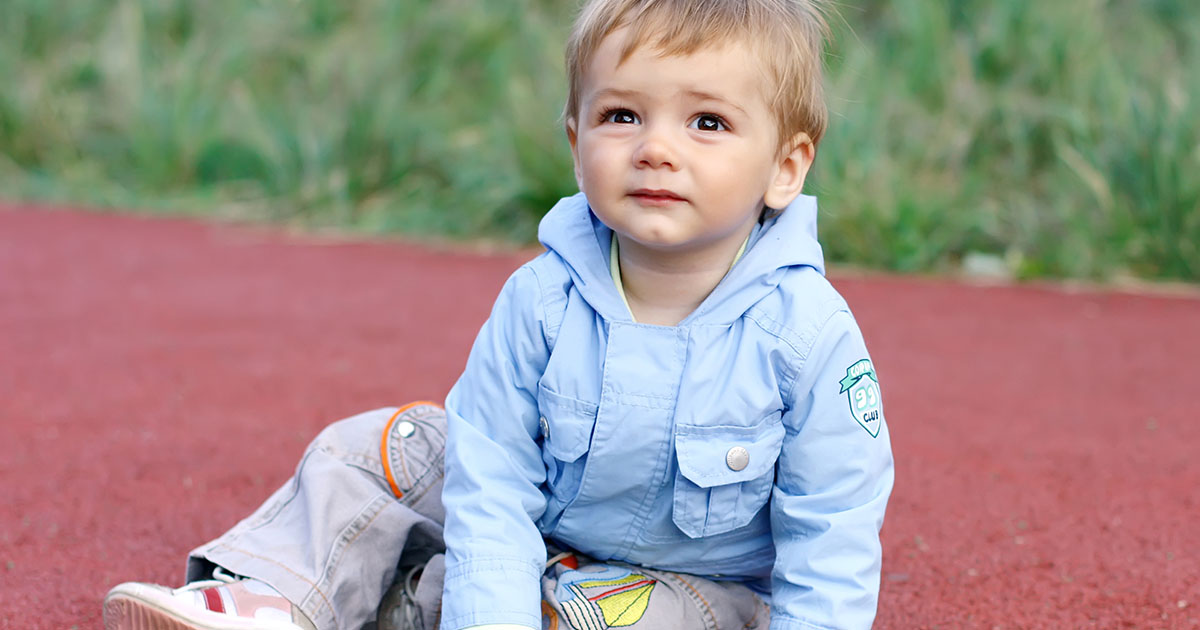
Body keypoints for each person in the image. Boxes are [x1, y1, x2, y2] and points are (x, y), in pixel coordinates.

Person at [102, 0, 894, 629]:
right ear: (576, 136)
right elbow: (491, 478)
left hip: (689, 585)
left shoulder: (808, 336)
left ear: (785, 166)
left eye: (707, 123)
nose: (655, 148)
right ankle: (273, 600)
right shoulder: (540, 300)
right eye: (623, 115)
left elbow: (831, 533)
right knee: (389, 446)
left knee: (602, 615)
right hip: (524, 534)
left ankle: (404, 602)